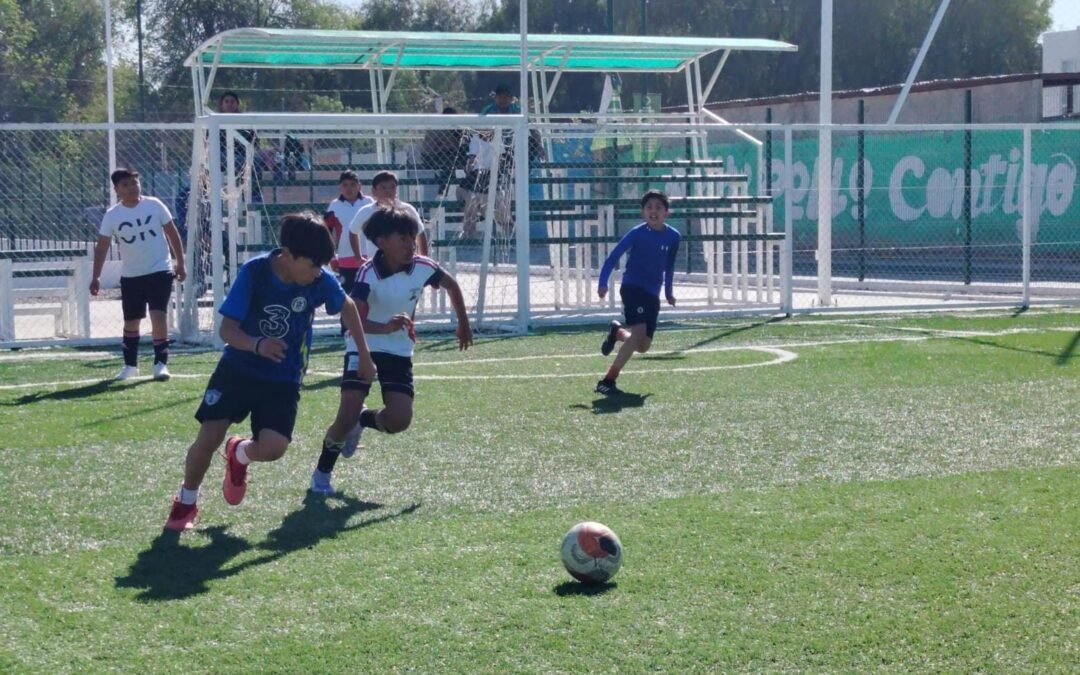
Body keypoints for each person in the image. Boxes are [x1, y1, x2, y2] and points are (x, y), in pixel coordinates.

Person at [163, 213, 376, 532]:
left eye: (321, 267)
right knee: (209, 435)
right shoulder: (256, 272)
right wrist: (257, 344)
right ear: (288, 255)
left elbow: (347, 306)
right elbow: (227, 330)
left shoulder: (319, 281)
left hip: (283, 377)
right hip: (238, 369)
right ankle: (186, 501)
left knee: (274, 449)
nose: (318, 273)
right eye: (312, 265)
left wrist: (363, 354)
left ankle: (239, 453)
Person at [310, 205, 473, 495]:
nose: (411, 245)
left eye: (413, 238)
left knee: (400, 420)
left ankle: (364, 419)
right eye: (404, 239)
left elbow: (452, 285)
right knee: (344, 415)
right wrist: (383, 328)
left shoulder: (422, 266)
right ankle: (322, 474)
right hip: (364, 345)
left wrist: (463, 323)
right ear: (382, 242)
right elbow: (353, 320)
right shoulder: (367, 273)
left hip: (398, 350)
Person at [91, 169, 187, 381]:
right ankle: (130, 365)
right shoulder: (112, 215)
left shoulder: (154, 205)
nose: (132, 187)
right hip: (132, 275)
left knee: (158, 315)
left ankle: (160, 364)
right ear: (117, 190)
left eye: (135, 183)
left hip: (159, 270)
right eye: (125, 184)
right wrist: (96, 276)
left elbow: (173, 233)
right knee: (131, 321)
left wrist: (180, 262)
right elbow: (102, 246)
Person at [595, 190, 681, 396]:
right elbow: (613, 256)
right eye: (649, 207)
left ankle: (617, 332)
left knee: (642, 345)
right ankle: (607, 380)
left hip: (652, 293)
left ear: (667, 212)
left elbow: (669, 266)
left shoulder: (674, 237)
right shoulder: (636, 233)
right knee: (639, 335)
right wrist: (602, 282)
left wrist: (669, 292)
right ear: (643, 212)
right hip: (633, 288)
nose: (653, 211)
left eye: (658, 207)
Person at [348, 171, 429, 260]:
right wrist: (358, 258)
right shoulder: (366, 211)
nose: (388, 191)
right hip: (377, 264)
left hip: (404, 263)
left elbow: (420, 234)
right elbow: (353, 232)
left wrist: (423, 260)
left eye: (392, 187)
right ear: (374, 191)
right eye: (383, 187)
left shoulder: (407, 209)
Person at [324, 170, 373, 293]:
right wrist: (332, 258)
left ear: (359, 186)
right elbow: (325, 233)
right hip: (345, 259)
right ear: (340, 187)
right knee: (348, 299)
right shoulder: (334, 206)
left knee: (371, 296)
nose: (348, 188)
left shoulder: (369, 203)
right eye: (345, 185)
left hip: (370, 257)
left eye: (352, 184)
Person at [218, 91, 261, 203]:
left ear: (237, 104)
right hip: (222, 156)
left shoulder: (245, 121)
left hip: (243, 155)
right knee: (241, 161)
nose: (229, 104)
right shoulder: (216, 121)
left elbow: (254, 141)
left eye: (232, 101)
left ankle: (255, 200)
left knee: (256, 162)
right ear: (222, 105)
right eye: (226, 101)